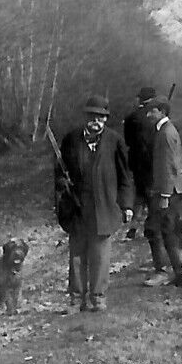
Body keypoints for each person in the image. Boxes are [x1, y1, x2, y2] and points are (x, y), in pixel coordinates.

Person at [55, 95, 136, 312]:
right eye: (92, 116)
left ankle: (98, 297)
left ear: (106, 119)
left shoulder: (114, 141)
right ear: (86, 117)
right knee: (77, 256)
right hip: (77, 208)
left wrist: (127, 205)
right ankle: (75, 299)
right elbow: (59, 171)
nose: (96, 121)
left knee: (100, 256)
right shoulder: (71, 140)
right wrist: (63, 183)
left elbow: (126, 175)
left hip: (105, 206)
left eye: (101, 117)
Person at [142, 96, 182, 288]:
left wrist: (164, 195)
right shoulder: (165, 131)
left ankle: (178, 274)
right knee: (169, 230)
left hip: (168, 191)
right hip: (172, 189)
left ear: (162, 111)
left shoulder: (165, 133)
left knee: (164, 231)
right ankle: (180, 273)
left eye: (152, 111)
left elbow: (169, 166)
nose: (148, 115)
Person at [120, 87, 158, 245]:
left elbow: (127, 141)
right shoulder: (156, 115)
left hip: (136, 161)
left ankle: (134, 227)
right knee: (152, 195)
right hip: (153, 160)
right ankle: (153, 225)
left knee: (140, 194)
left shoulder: (131, 117)